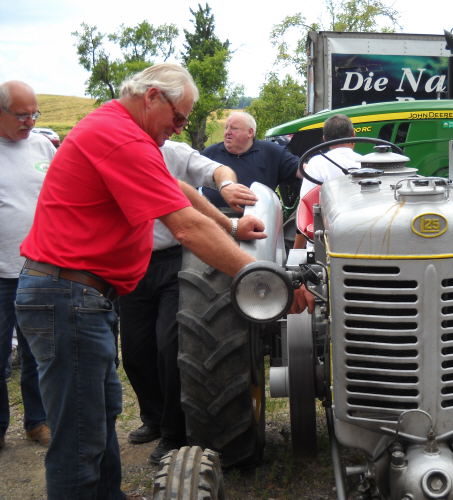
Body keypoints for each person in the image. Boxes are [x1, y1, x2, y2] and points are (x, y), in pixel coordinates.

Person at [14, 63, 313, 499]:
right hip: (67, 294)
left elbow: (181, 192)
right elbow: (186, 227)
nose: (179, 128)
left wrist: (230, 227)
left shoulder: (128, 134)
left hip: (82, 296)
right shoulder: (116, 135)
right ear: (153, 96)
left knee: (99, 416)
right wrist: (266, 283)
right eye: (178, 118)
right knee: (79, 434)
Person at [120, 140, 253, 465]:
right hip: (132, 262)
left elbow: (215, 170)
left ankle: (174, 433)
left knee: (171, 346)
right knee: (136, 351)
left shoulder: (173, 151)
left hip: (172, 261)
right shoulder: (121, 150)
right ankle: (152, 417)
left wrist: (227, 184)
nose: (177, 124)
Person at [0, 80, 52, 451]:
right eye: (21, 115)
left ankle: (37, 421)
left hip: (38, 268)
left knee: (37, 352)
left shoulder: (42, 146)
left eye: (34, 113)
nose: (30, 122)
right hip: (0, 273)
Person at [201, 111, 301, 212]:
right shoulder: (210, 153)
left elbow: (302, 170)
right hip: (213, 220)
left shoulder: (271, 152)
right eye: (226, 128)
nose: (227, 132)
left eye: (234, 128)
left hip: (258, 220)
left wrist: (315, 168)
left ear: (250, 132)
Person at [294, 113, 362, 249]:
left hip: (322, 244)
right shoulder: (366, 163)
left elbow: (307, 208)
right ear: (353, 135)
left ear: (324, 139)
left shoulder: (316, 163)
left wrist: (296, 251)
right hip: (361, 238)